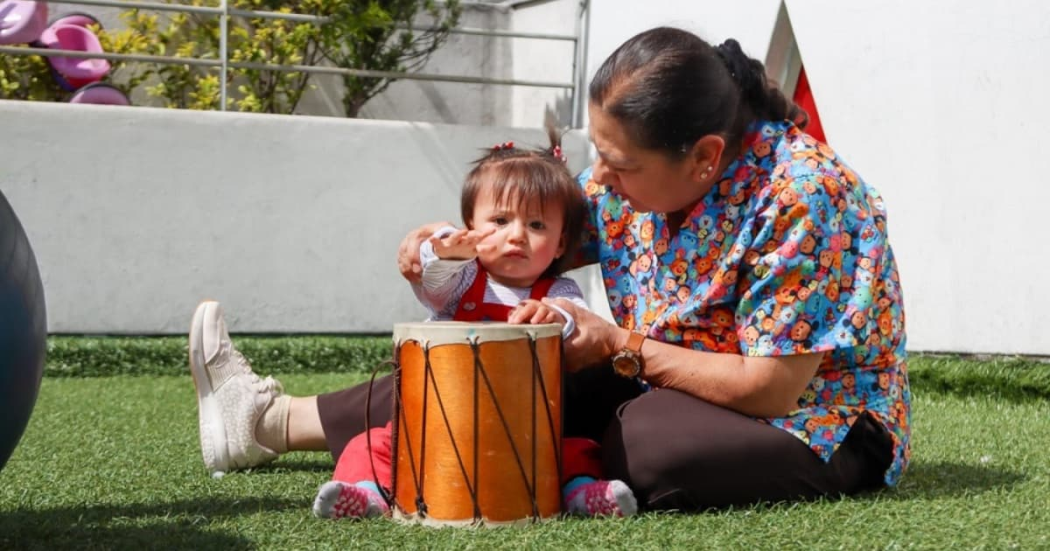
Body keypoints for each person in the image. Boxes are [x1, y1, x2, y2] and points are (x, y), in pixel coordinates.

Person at [188, 26, 910, 512]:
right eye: (597, 153)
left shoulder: (807, 196)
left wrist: (621, 347)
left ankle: (567, 451)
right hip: (663, 374)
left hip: (821, 421)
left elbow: (772, 390)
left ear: (706, 158)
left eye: (619, 164)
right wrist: (446, 246)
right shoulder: (632, 178)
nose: (602, 178)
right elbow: (531, 240)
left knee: (648, 443)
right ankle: (267, 421)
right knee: (497, 347)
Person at [307, 134, 637, 519]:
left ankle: (582, 495)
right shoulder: (464, 279)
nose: (516, 235)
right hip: (440, 420)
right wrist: (444, 251)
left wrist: (555, 317)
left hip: (527, 428)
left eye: (536, 224)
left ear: (561, 243)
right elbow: (433, 281)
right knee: (371, 444)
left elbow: (572, 318)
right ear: (471, 227)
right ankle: (368, 495)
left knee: (577, 449)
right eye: (499, 221)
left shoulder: (557, 290)